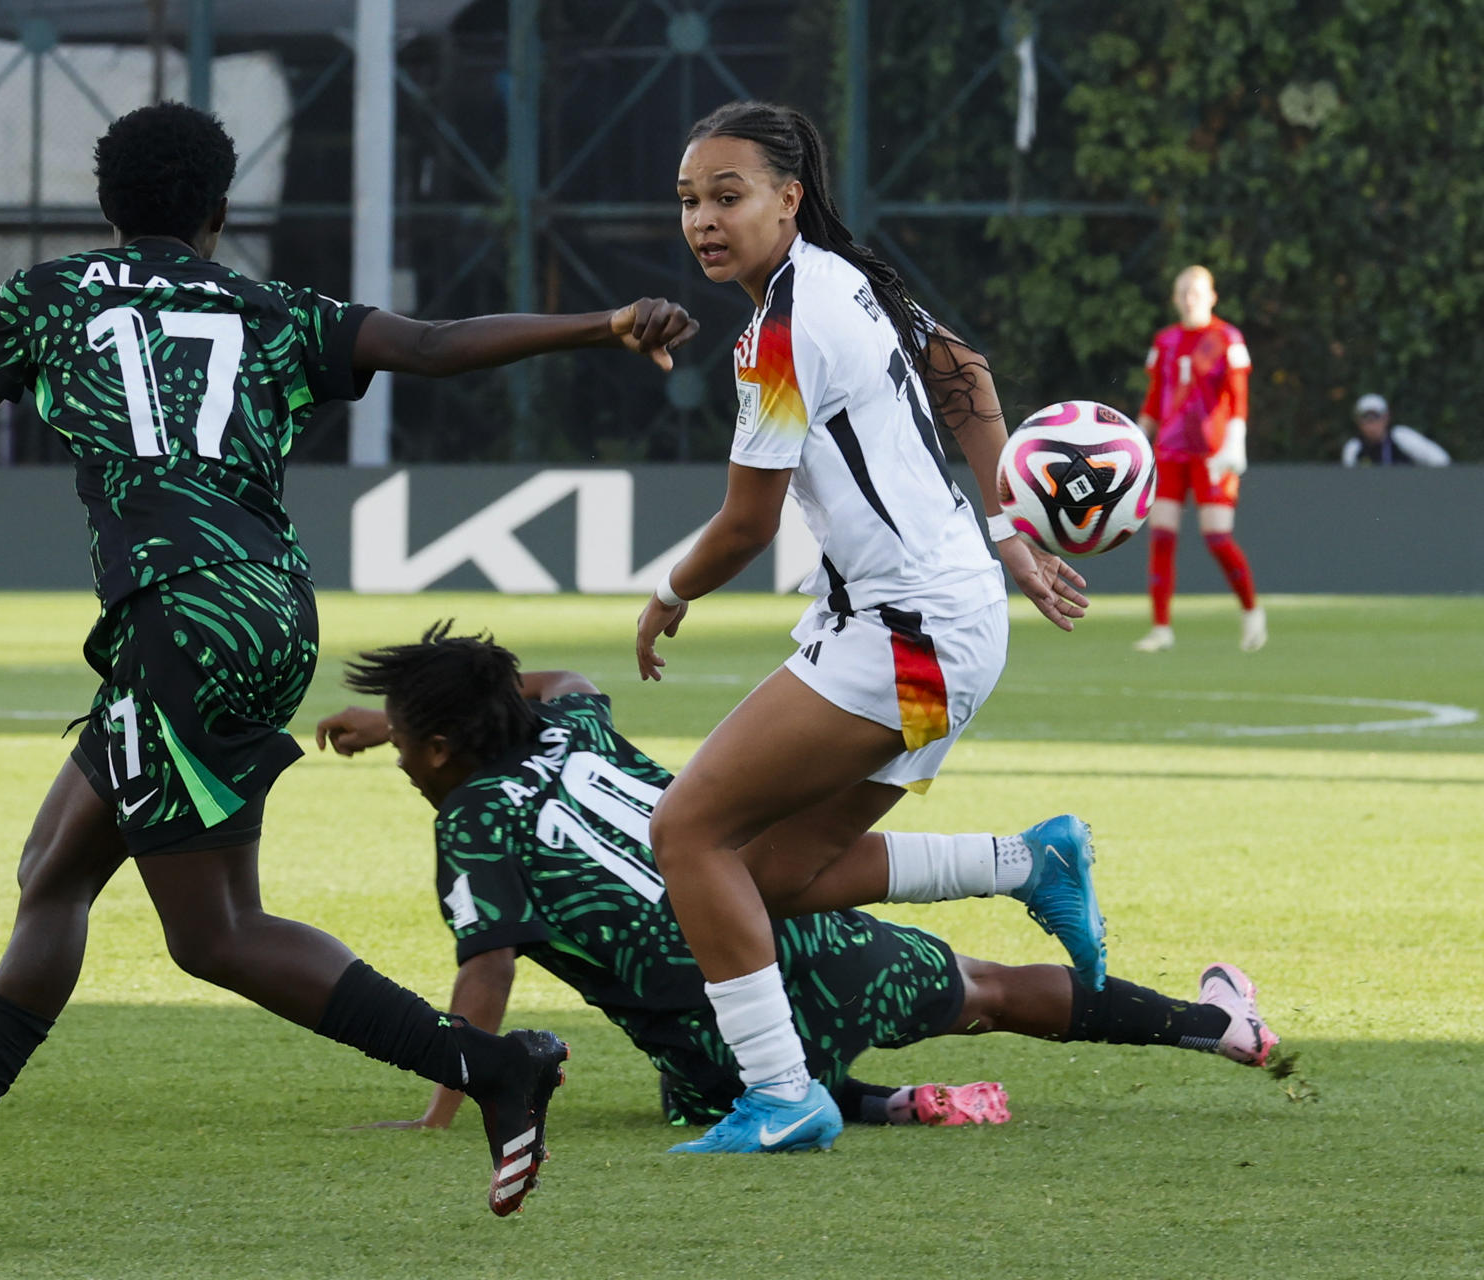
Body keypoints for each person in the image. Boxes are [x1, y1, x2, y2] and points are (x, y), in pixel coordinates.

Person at [0, 102, 701, 1229]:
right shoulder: (266, 304)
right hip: (265, 608)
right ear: (218, 211)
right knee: (54, 867)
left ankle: (496, 1067)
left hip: (174, 617)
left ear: (105, 204)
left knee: (215, 933)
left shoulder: (43, 296)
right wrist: (605, 322)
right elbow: (432, 346)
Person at [616, 100, 1101, 1155]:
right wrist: (1008, 529)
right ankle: (1032, 863)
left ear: (789, 199)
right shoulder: (846, 275)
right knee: (775, 873)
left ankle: (784, 1095)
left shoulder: (782, 330)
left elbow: (746, 523)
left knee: (686, 833)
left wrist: (669, 593)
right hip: (946, 631)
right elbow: (964, 367)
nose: (704, 219)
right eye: (690, 200)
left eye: (729, 196)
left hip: (911, 636)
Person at [314, 627, 1279, 1135]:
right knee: (985, 988)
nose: (399, 756)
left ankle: (874, 1103)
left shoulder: (474, 822)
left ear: (440, 746)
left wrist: (450, 1103)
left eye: (407, 740)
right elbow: (561, 678)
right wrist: (431, 706)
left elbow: (487, 975)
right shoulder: (575, 727)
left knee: (699, 1087)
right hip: (784, 923)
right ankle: (1225, 1030)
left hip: (718, 1027)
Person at [1132, 265, 1267, 653]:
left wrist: (1235, 441)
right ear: (1175, 299)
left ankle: (1251, 610)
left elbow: (1238, 394)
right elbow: (1155, 398)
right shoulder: (1166, 341)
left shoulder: (1227, 338)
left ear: (1212, 296)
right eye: (1183, 291)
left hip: (1212, 452)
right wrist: (1136, 445)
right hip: (1171, 451)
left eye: (1196, 290)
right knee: (1161, 535)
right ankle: (1161, 628)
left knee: (1217, 535)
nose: (1190, 297)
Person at [1341, 393, 1449, 467]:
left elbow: (1441, 460)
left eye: (1376, 417)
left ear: (1386, 417)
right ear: (1358, 422)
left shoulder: (1401, 437)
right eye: (1366, 418)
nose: (1372, 424)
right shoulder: (1354, 448)